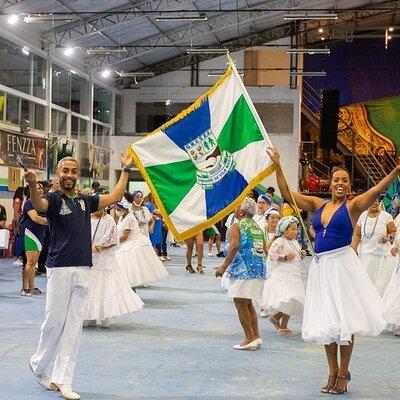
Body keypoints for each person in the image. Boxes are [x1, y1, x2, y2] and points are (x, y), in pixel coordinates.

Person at [268, 147, 399, 395]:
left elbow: (376, 189)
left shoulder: (354, 207)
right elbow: (286, 194)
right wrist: (277, 165)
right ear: (330, 184)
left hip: (342, 268)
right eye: (336, 180)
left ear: (349, 185)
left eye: (345, 181)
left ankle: (343, 373)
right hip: (321, 269)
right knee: (326, 322)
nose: (340, 184)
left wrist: (396, 171)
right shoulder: (318, 205)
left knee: (344, 322)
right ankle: (331, 371)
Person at [27, 154, 134, 400]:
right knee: (54, 322)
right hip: (59, 268)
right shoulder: (53, 199)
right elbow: (38, 205)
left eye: (74, 171)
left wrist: (126, 169)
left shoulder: (86, 200)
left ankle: (64, 380)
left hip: (84, 268)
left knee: (74, 326)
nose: (69, 175)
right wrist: (33, 186)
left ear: (78, 175)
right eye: (65, 170)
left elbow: (116, 197)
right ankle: (39, 363)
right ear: (57, 173)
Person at [215, 198, 267, 350]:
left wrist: (223, 267)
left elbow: (234, 246)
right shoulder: (257, 226)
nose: (235, 208)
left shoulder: (236, 226)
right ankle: (256, 336)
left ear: (242, 212)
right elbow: (264, 248)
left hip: (245, 270)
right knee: (248, 302)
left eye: (237, 207)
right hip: (259, 268)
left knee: (240, 303)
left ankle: (249, 338)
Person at [84, 208, 144, 328]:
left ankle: (105, 315)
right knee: (90, 287)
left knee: (105, 287)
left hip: (104, 259)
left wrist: (98, 248)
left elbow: (112, 240)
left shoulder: (109, 220)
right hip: (89, 258)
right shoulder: (88, 219)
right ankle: (90, 315)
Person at [261, 216, 306, 337]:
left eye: (296, 229)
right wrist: (285, 258)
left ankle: (282, 324)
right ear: (284, 230)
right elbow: (272, 255)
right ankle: (278, 321)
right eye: (292, 229)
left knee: (293, 300)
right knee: (288, 298)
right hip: (282, 274)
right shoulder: (279, 241)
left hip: (294, 275)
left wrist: (301, 253)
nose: (295, 231)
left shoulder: (295, 242)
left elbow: (296, 256)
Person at [115, 197, 168, 288]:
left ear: (124, 208)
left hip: (130, 245)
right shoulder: (122, 217)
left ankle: (131, 292)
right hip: (125, 243)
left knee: (128, 273)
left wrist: (113, 242)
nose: (116, 211)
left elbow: (125, 237)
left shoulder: (129, 218)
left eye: (118, 209)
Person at [352, 199, 397, 296]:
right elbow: (357, 235)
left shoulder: (386, 216)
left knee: (380, 289)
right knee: (364, 287)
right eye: (372, 200)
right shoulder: (362, 216)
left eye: (376, 200)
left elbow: (393, 232)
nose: (374, 203)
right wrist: (354, 250)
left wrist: (387, 238)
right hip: (365, 257)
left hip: (382, 258)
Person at [20, 183, 47, 296]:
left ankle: (31, 287)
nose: (39, 190)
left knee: (34, 262)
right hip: (30, 234)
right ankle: (24, 288)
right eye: (36, 188)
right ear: (30, 191)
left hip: (40, 234)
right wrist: (51, 220)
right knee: (30, 262)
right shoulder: (29, 203)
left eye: (41, 188)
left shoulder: (44, 204)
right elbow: (35, 218)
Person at [12, 186, 25, 265]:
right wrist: (19, 219)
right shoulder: (17, 200)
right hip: (18, 220)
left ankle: (19, 256)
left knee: (20, 238)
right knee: (18, 238)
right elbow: (16, 213)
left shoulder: (21, 200)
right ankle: (17, 256)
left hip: (21, 219)